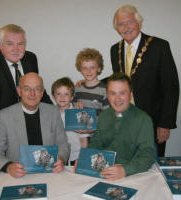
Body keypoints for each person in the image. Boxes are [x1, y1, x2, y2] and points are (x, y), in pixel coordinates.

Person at [0, 24, 53, 174]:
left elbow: (38, 89)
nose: (16, 49)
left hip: (29, 126)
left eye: (20, 44)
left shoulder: (30, 59)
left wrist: (58, 114)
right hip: (2, 132)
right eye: (9, 44)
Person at [101, 5, 179, 156]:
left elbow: (171, 87)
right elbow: (119, 78)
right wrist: (91, 83)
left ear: (139, 23)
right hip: (123, 121)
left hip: (152, 122)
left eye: (129, 22)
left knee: (151, 168)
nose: (126, 27)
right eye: (121, 24)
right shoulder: (114, 49)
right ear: (117, 28)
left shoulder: (159, 46)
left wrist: (165, 124)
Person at [0, 73, 70, 178]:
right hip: (18, 175)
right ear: (19, 91)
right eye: (27, 89)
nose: (32, 94)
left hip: (50, 173)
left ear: (42, 92)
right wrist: (8, 167)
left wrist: (60, 158)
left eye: (37, 89)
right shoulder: (3, 117)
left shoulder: (53, 112)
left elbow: (63, 144)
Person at [88, 72, 156, 181]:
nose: (117, 99)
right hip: (103, 171)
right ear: (107, 95)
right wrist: (85, 159)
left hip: (133, 174)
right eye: (112, 93)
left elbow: (148, 155)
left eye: (122, 93)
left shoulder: (143, 119)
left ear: (131, 95)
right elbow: (96, 143)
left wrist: (125, 170)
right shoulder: (103, 116)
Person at [74, 48, 109, 147]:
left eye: (92, 67)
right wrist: (74, 106)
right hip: (79, 138)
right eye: (85, 68)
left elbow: (106, 117)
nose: (88, 71)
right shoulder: (77, 88)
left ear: (99, 69)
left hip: (97, 137)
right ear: (80, 69)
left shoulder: (104, 90)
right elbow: (70, 110)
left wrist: (92, 128)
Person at [51, 77, 82, 165]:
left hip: (76, 156)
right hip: (59, 156)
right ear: (53, 96)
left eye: (66, 94)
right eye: (58, 94)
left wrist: (83, 156)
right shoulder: (50, 114)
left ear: (72, 97)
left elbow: (84, 139)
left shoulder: (77, 113)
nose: (62, 97)